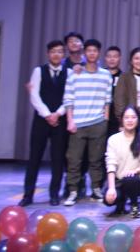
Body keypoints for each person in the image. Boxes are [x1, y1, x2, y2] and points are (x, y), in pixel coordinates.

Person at [63, 39, 112, 207]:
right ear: (84, 53)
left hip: (98, 123)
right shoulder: (74, 73)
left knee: (96, 160)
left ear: (99, 53)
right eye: (89, 50)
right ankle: (73, 191)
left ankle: (96, 189)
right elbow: (68, 99)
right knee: (74, 160)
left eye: (95, 50)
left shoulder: (105, 75)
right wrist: (70, 121)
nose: (92, 53)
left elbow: (107, 100)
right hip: (78, 123)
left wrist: (105, 120)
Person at [21, 39, 69, 207]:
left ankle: (54, 194)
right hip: (41, 120)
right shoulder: (38, 71)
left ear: (63, 54)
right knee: (34, 157)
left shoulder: (69, 72)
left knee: (58, 159)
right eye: (53, 51)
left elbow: (70, 97)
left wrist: (58, 114)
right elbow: (34, 95)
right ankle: (28, 195)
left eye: (60, 52)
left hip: (60, 121)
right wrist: (48, 115)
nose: (56, 54)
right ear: (48, 54)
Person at [104, 107, 140, 218]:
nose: (130, 120)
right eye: (127, 117)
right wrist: (111, 188)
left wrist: (135, 171)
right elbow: (111, 164)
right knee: (108, 199)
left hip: (138, 181)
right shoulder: (113, 139)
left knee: (130, 179)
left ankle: (134, 204)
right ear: (122, 120)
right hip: (120, 180)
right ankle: (120, 204)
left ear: (138, 119)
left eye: (133, 117)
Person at [114, 47, 140, 133]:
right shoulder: (124, 77)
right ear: (131, 61)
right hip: (130, 117)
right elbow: (119, 100)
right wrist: (122, 120)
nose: (139, 61)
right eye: (136, 58)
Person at [104, 46, 123, 134]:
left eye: (115, 56)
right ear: (105, 58)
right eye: (109, 56)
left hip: (117, 118)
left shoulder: (124, 77)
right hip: (100, 116)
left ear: (120, 58)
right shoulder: (100, 74)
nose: (112, 59)